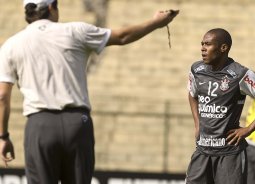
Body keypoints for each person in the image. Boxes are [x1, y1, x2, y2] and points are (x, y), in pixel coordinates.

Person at [0, 0, 179, 183]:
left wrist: (3, 136)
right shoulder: (75, 31)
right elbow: (123, 36)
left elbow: (2, 96)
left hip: (40, 125)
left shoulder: (11, 45)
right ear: (52, 7)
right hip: (77, 123)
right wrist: (156, 22)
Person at [186, 28, 255, 184]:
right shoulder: (197, 70)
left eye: (208, 44)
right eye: (202, 44)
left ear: (224, 48)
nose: (202, 48)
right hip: (202, 151)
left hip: (229, 154)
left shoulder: (240, 74)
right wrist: (197, 123)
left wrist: (248, 129)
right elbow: (192, 94)